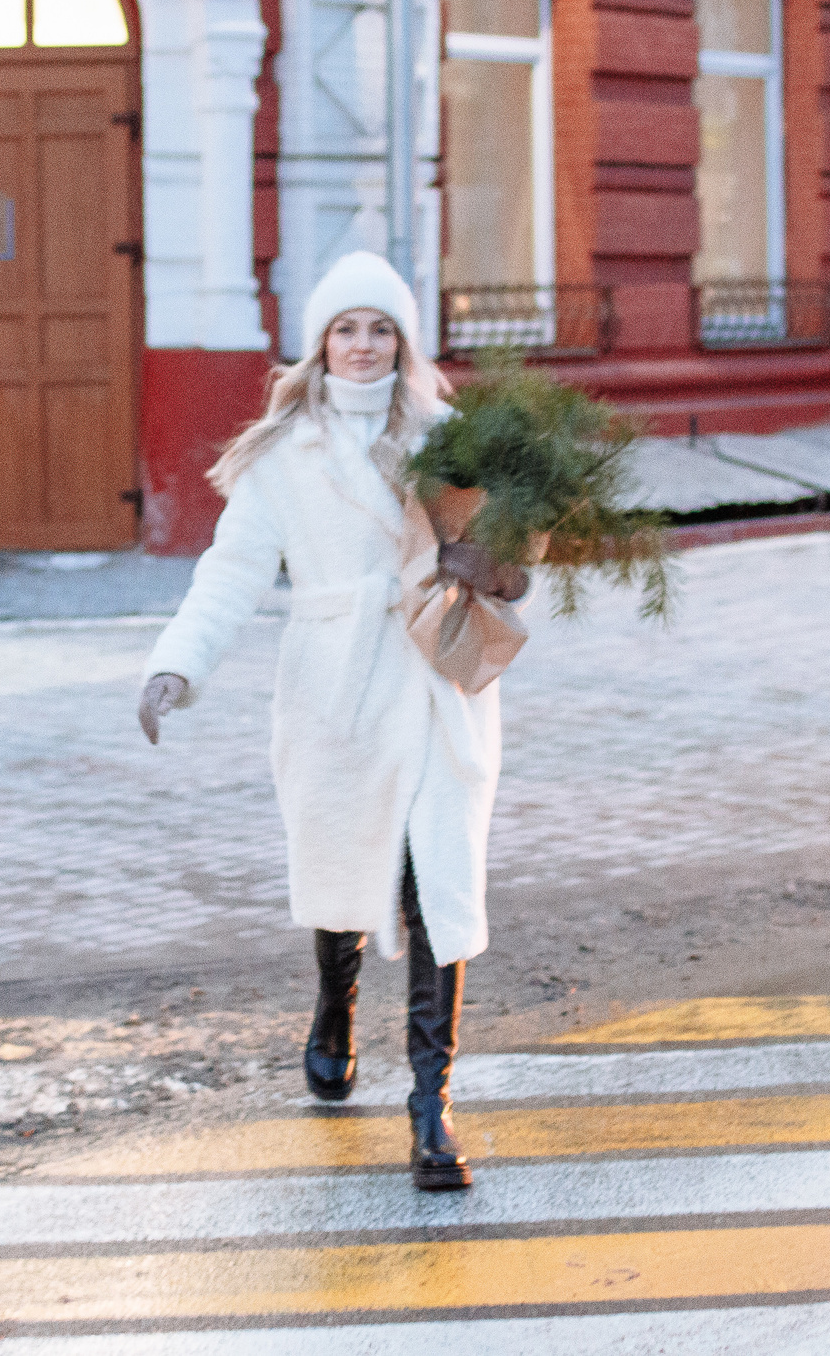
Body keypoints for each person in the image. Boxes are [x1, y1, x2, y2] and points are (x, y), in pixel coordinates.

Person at [135, 251, 527, 1192]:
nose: (362, 346)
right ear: (320, 344)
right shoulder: (284, 454)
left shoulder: (450, 438)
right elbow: (231, 573)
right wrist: (175, 665)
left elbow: (510, 558)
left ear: (404, 340)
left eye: (380, 328)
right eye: (346, 329)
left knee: (439, 879)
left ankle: (431, 1108)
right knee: (347, 868)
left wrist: (490, 565)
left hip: (437, 680)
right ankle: (334, 1000)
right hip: (334, 687)